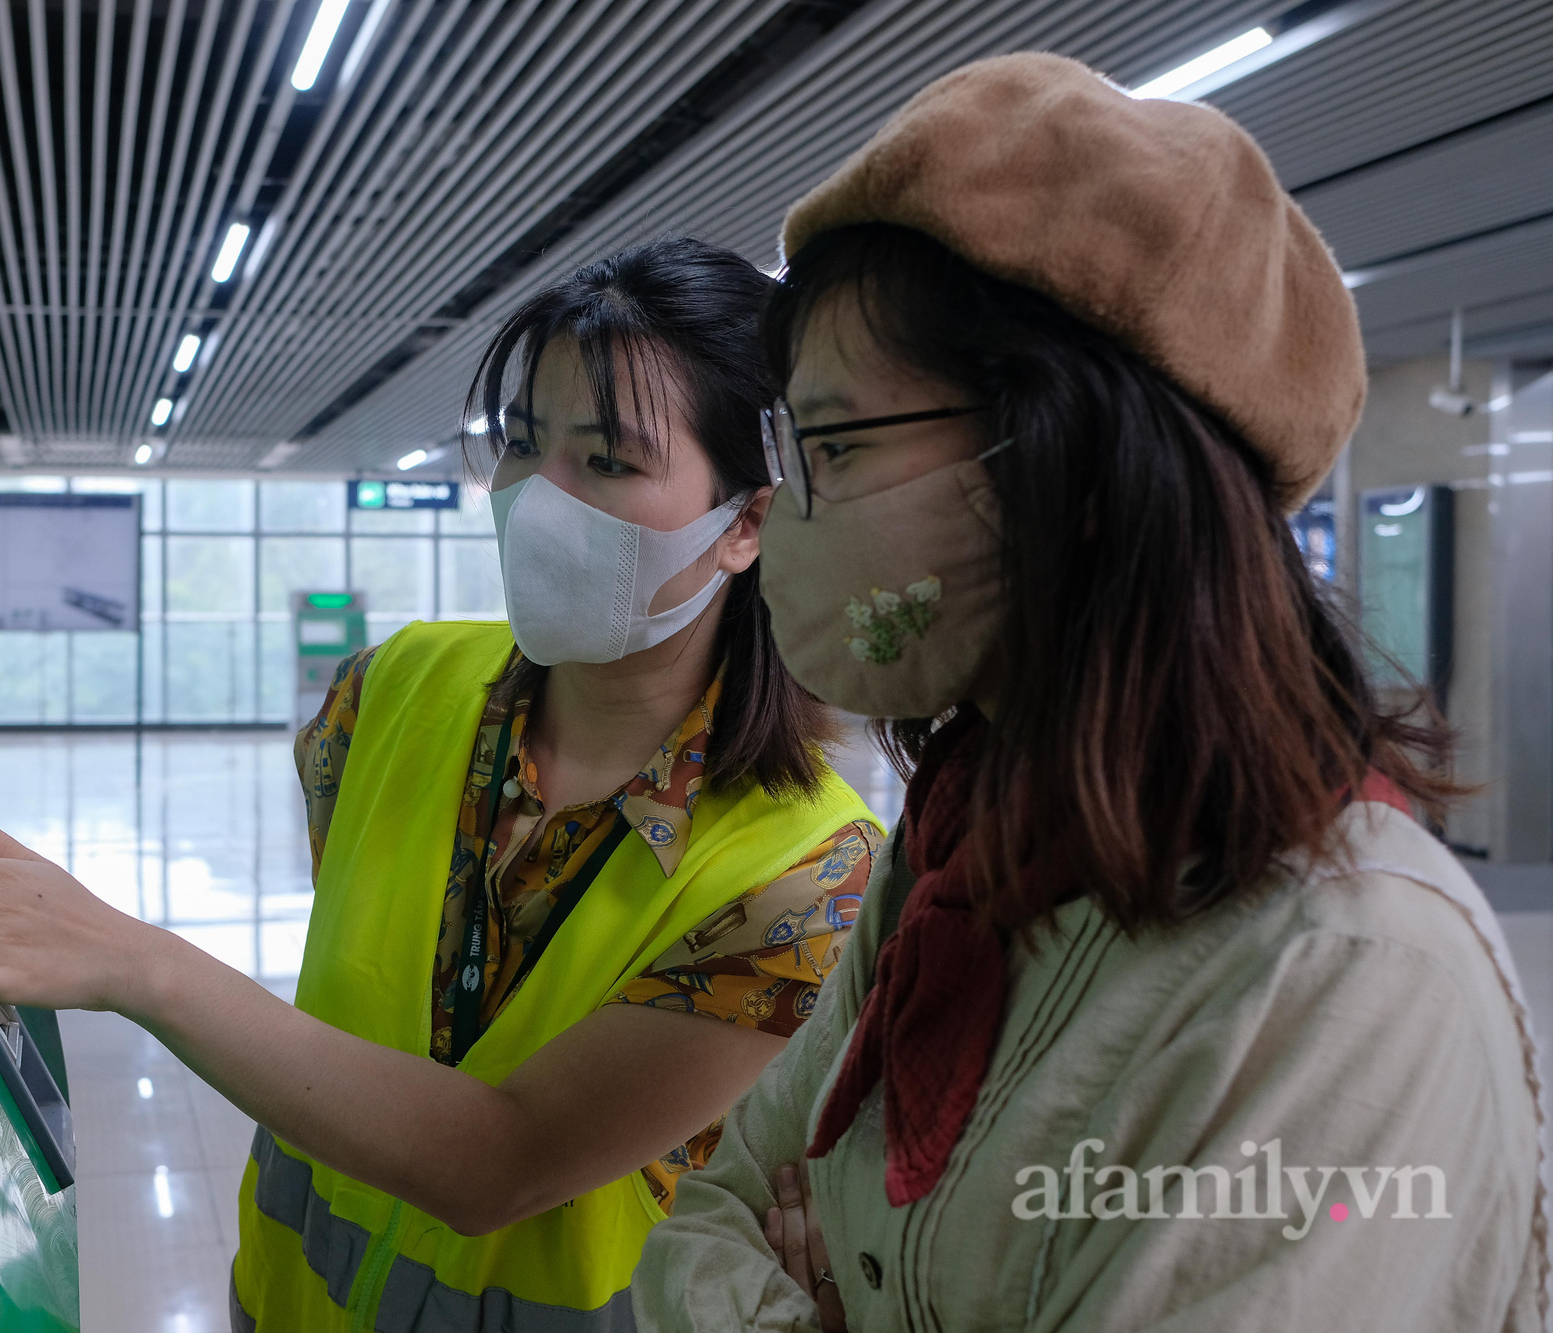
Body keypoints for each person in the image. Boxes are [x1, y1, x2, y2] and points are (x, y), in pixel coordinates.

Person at [0, 236, 882, 1329]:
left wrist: (140, 963)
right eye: (521, 444)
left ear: (745, 520)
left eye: (605, 461)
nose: (536, 500)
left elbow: (500, 1163)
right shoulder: (386, 691)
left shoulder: (806, 875)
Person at [633, 54, 1547, 1331]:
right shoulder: (962, 847)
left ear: (1079, 468)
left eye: (835, 447)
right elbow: (705, 1224)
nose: (787, 514)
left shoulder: (1344, 977)